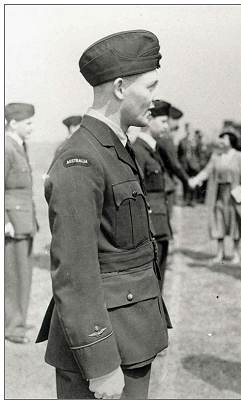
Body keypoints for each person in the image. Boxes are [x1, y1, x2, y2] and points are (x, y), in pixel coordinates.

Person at [35, 30, 171, 399]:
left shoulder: (113, 146)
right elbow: (75, 272)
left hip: (130, 338)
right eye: (151, 85)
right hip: (108, 351)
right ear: (122, 87)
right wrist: (101, 365)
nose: (155, 98)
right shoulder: (81, 157)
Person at [190, 131, 241, 264]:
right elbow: (207, 171)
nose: (221, 141)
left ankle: (235, 253)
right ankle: (220, 253)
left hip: (235, 195)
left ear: (231, 141)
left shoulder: (240, 156)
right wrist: (195, 180)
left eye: (224, 138)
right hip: (219, 194)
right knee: (219, 222)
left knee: (235, 223)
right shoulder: (216, 156)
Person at [5, 102, 38, 344]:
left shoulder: (19, 145)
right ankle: (13, 327)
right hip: (12, 223)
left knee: (24, 275)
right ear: (13, 123)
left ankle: (19, 321)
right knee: (13, 277)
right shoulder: (6, 147)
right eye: (28, 123)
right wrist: (4, 220)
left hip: (24, 220)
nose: (32, 127)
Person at [132, 100, 174, 290]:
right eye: (164, 121)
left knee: (158, 284)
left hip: (160, 225)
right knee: (152, 286)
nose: (167, 126)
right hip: (151, 229)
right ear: (149, 119)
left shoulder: (152, 150)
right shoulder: (139, 151)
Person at [155, 102, 192, 223]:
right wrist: (187, 180)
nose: (177, 124)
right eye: (176, 120)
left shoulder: (159, 136)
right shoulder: (166, 138)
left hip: (159, 183)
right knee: (167, 221)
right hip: (166, 185)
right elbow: (175, 164)